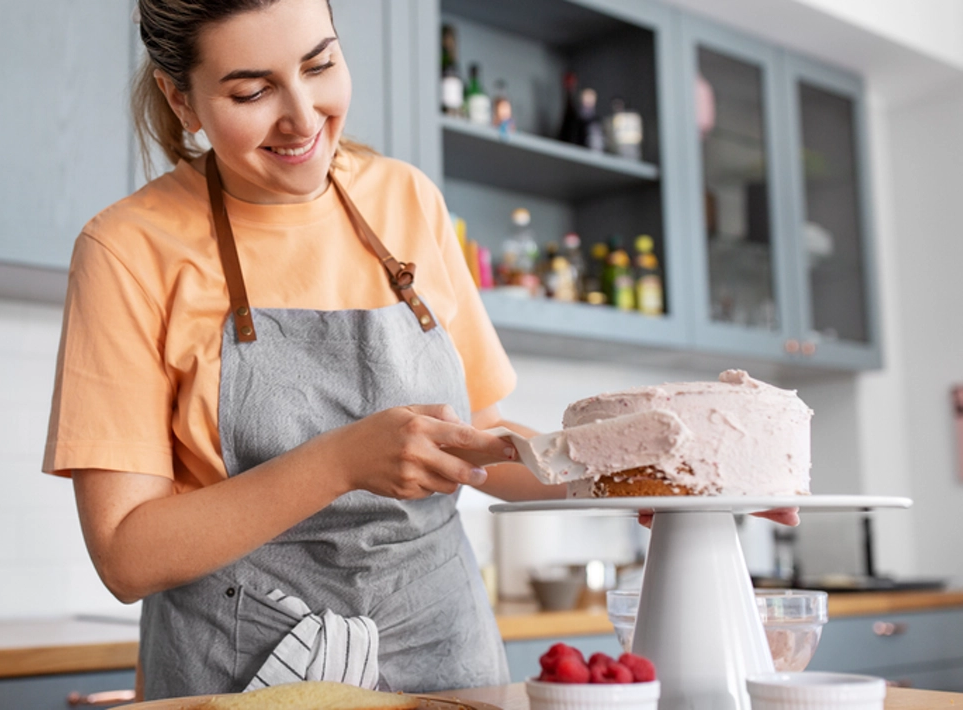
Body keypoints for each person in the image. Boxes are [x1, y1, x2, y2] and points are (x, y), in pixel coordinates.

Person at [43, 0, 796, 700]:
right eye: (251, 92)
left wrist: (660, 479)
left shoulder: (405, 198)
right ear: (183, 100)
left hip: (448, 663)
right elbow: (126, 554)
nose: (303, 116)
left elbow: (484, 439)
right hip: (243, 673)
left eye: (319, 65)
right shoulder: (126, 250)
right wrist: (341, 461)